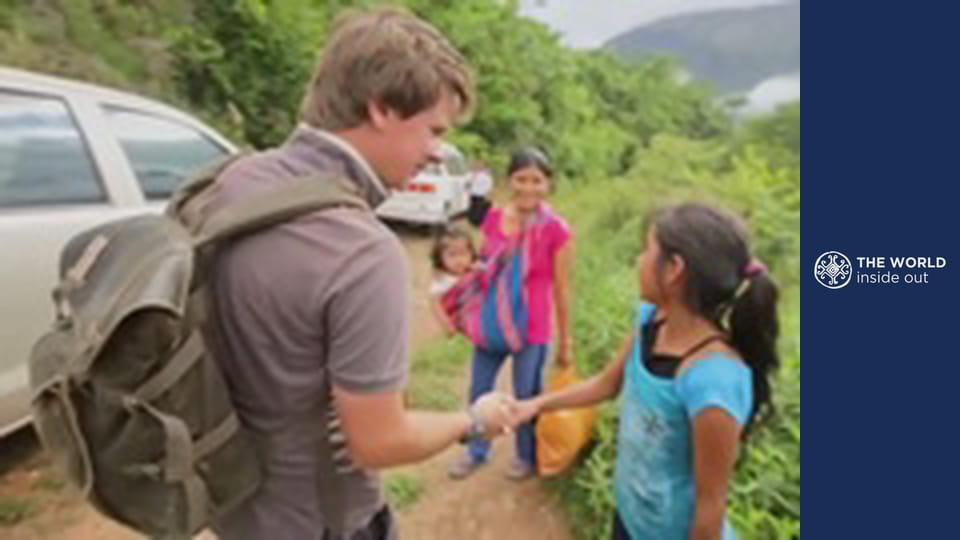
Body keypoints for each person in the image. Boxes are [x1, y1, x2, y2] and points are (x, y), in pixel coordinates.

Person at [204, 8, 513, 539]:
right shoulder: (362, 252)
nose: (436, 153)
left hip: (231, 507)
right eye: (433, 130)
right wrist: (473, 420)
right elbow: (379, 441)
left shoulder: (228, 182)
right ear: (382, 107)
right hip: (321, 520)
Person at [511, 202, 781, 540]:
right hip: (631, 519)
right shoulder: (650, 320)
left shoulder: (713, 382)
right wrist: (535, 405)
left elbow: (710, 506)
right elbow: (606, 385)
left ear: (674, 270)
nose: (638, 261)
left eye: (646, 252)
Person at [448, 147, 575, 481]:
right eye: (521, 179)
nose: (528, 187)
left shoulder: (557, 230)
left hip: (532, 328)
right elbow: (486, 266)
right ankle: (476, 450)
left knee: (526, 397)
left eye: (537, 180)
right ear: (509, 181)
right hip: (491, 321)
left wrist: (566, 341)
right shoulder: (492, 219)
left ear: (548, 184)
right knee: (479, 390)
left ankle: (525, 455)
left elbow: (561, 288)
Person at [428, 225, 479, 336]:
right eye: (452, 255)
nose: (459, 260)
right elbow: (434, 303)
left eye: (463, 253)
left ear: (471, 254)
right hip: (461, 324)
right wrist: (447, 326)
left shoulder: (473, 271)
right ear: (440, 258)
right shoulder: (443, 280)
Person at [466, 159, 494, 226]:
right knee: (472, 208)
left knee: (479, 210)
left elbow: (489, 185)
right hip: (473, 194)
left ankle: (478, 223)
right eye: (476, 165)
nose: (477, 167)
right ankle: (473, 222)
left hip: (481, 195)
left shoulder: (485, 175)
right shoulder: (471, 174)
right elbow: (468, 183)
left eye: (479, 166)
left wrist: (488, 194)